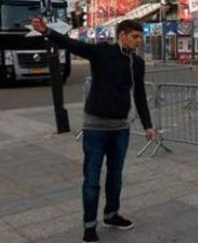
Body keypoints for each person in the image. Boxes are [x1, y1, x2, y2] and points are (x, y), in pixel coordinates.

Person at [31, 17, 156, 243]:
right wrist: (47, 31)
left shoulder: (137, 63)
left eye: (140, 37)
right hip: (95, 128)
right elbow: (73, 45)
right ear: (122, 35)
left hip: (120, 128)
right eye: (135, 36)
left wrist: (148, 124)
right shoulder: (102, 52)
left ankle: (111, 214)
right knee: (92, 179)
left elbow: (139, 95)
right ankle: (89, 226)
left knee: (115, 176)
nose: (138, 41)